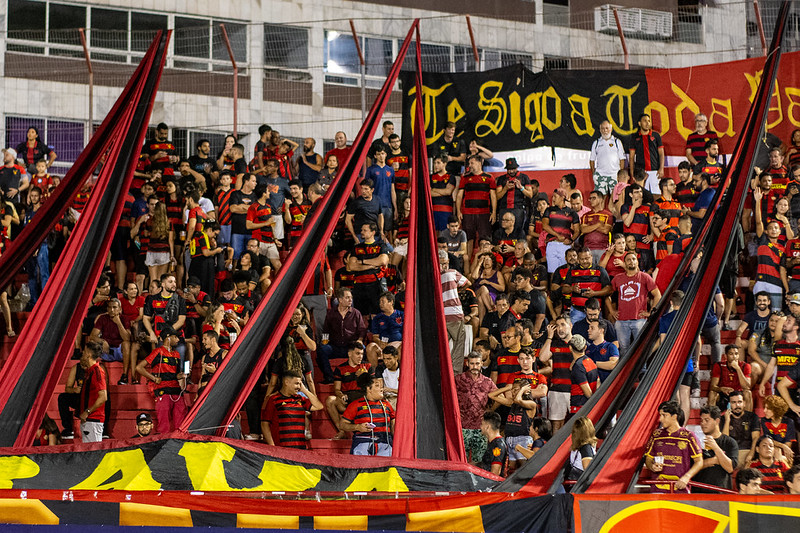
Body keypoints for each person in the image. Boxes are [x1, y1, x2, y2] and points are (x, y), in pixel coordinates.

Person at [136, 325, 187, 434]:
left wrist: (182, 376)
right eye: (175, 337)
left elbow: (176, 375)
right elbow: (139, 367)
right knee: (164, 424)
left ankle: (179, 441)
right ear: (168, 337)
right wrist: (153, 378)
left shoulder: (177, 354)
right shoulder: (157, 352)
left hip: (176, 391)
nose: (178, 340)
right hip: (162, 391)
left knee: (181, 423)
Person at [645, 400, 703, 493]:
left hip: (680, 489)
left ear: (674, 416)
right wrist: (652, 466)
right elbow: (648, 459)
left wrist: (686, 477)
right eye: (660, 415)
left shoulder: (688, 436)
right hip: (658, 489)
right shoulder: (656, 435)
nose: (660, 419)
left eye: (664, 415)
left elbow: (699, 461)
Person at [611, 252, 661, 354]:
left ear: (637, 262)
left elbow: (657, 295)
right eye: (628, 260)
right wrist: (611, 311)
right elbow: (608, 295)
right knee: (623, 350)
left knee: (641, 348)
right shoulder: (618, 278)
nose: (631, 261)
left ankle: (642, 365)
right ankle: (625, 365)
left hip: (639, 319)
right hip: (621, 320)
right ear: (624, 263)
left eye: (634, 259)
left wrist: (651, 312)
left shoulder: (645, 277)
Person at [261, 370, 323, 449]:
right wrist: (272, 446)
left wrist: (305, 390)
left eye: (300, 384)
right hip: (281, 448)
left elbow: (319, 406)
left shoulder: (300, 399)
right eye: (296, 383)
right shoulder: (273, 399)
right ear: (286, 382)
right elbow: (264, 424)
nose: (299, 387)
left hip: (300, 447)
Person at [456, 351, 498, 463]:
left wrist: (490, 410)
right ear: (467, 364)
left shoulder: (487, 382)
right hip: (462, 427)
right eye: (472, 363)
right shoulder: (458, 379)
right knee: (461, 461)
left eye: (477, 363)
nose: (474, 366)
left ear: (481, 364)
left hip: (480, 428)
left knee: (479, 461)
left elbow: (499, 397)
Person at [317, 288, 366, 384]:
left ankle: (360, 376)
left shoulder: (356, 313)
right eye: (347, 298)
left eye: (351, 298)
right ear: (340, 299)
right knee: (322, 350)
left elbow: (362, 330)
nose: (350, 300)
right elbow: (326, 331)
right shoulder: (331, 313)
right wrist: (324, 341)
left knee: (362, 348)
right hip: (335, 346)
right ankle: (330, 378)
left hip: (350, 346)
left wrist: (360, 340)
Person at [340, 373, 395, 456]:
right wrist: (358, 427)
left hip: (385, 444)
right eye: (377, 386)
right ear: (369, 389)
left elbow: (394, 424)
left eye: (381, 386)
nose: (382, 389)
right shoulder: (355, 405)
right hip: (363, 443)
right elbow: (342, 425)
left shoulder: (387, 405)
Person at [325, 341, 371, 439]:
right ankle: (341, 431)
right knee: (330, 400)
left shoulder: (367, 367)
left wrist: (365, 376)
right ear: (349, 354)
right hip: (348, 399)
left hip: (363, 399)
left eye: (362, 354)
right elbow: (337, 389)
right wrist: (341, 396)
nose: (360, 357)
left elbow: (373, 387)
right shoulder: (340, 368)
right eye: (357, 353)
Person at [457, 154, 497, 258]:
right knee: (468, 239)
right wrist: (458, 211)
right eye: (469, 163)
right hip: (468, 213)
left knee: (485, 240)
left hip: (484, 214)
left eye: (472, 163)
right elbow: (459, 195)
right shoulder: (465, 177)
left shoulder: (489, 177)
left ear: (480, 163)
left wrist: (493, 212)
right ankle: (468, 264)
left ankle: (484, 262)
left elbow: (493, 196)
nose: (470, 165)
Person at [538, 315, 574, 431]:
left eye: (563, 325)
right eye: (557, 326)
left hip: (574, 390)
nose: (560, 329)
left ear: (570, 326)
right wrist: (549, 337)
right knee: (556, 425)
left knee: (577, 424)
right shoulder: (554, 344)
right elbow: (542, 358)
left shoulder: (578, 343)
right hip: (556, 390)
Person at [693, 406, 738, 492]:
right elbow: (690, 467)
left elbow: (730, 468)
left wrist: (716, 448)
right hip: (698, 493)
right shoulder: (695, 441)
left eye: (707, 420)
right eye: (701, 420)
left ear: (717, 421)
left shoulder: (730, 442)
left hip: (721, 493)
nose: (703, 423)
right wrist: (712, 461)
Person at [440, 249, 470, 375]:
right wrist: (456, 290)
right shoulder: (452, 272)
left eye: (445, 263)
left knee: (442, 346)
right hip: (455, 313)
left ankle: (442, 371)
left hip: (441, 316)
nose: (444, 266)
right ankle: (455, 373)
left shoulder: (433, 277)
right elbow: (468, 283)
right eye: (442, 263)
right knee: (458, 344)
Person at [542, 188, 579, 274]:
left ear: (562, 197)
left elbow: (577, 230)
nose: (553, 199)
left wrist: (571, 240)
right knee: (552, 273)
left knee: (565, 272)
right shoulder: (549, 210)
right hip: (552, 243)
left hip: (565, 245)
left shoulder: (572, 213)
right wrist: (557, 235)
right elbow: (545, 225)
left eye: (555, 196)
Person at [78, 341, 107, 444]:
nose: (82, 353)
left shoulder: (97, 372)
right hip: (89, 420)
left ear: (89, 354)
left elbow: (103, 397)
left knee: (93, 450)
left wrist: (87, 412)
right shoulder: (90, 371)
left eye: (84, 351)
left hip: (93, 420)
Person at [723, 390, 762, 467]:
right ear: (729, 405)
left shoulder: (752, 417)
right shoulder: (723, 419)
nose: (737, 405)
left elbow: (755, 437)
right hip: (732, 453)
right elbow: (725, 441)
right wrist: (727, 420)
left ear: (744, 403)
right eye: (733, 402)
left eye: (739, 402)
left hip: (748, 450)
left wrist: (751, 453)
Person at [628, 113, 664, 194]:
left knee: (656, 194)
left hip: (655, 171)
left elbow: (661, 153)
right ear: (639, 123)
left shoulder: (656, 135)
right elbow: (631, 157)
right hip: (641, 172)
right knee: (642, 195)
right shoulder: (634, 137)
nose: (647, 123)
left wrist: (661, 168)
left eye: (649, 121)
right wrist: (632, 173)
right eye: (645, 121)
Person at [495, 157, 532, 235]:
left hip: (518, 209)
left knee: (518, 232)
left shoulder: (524, 178)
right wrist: (505, 188)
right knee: (503, 233)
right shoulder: (501, 179)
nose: (511, 171)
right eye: (509, 169)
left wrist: (521, 188)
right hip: (504, 209)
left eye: (513, 169)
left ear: (517, 168)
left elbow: (530, 195)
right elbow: (497, 197)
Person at [589, 120, 625, 195]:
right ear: (600, 130)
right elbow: (592, 160)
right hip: (600, 175)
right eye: (603, 128)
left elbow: (622, 159)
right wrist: (594, 173)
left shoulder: (617, 142)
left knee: (615, 197)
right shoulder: (596, 143)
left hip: (614, 175)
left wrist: (620, 174)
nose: (605, 130)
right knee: (600, 198)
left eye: (607, 128)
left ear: (611, 129)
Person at [568, 335, 599, 416]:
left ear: (570, 348)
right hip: (588, 406)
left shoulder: (578, 367)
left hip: (580, 407)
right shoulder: (590, 361)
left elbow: (588, 393)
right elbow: (598, 382)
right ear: (585, 347)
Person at [564, 417, 597, 485]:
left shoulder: (577, 445)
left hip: (573, 479)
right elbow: (588, 469)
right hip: (580, 483)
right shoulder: (586, 448)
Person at [585, 319, 619, 383]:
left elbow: (613, 364)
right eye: (589, 328)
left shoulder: (610, 347)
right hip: (590, 385)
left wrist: (592, 363)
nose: (588, 330)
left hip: (606, 385)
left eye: (592, 328)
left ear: (601, 330)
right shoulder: (587, 348)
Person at [479, 410, 507, 477]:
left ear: (487, 427)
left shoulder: (498, 445)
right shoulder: (493, 442)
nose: (480, 427)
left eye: (482, 424)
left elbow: (495, 472)